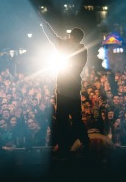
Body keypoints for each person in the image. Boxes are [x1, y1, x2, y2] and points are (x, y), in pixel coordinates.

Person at [40, 18, 89, 155]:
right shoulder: (83, 50)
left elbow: (52, 36)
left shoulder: (66, 46)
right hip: (73, 91)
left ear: (72, 36)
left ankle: (63, 146)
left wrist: (44, 23)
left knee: (62, 119)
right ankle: (85, 142)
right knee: (76, 118)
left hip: (64, 91)